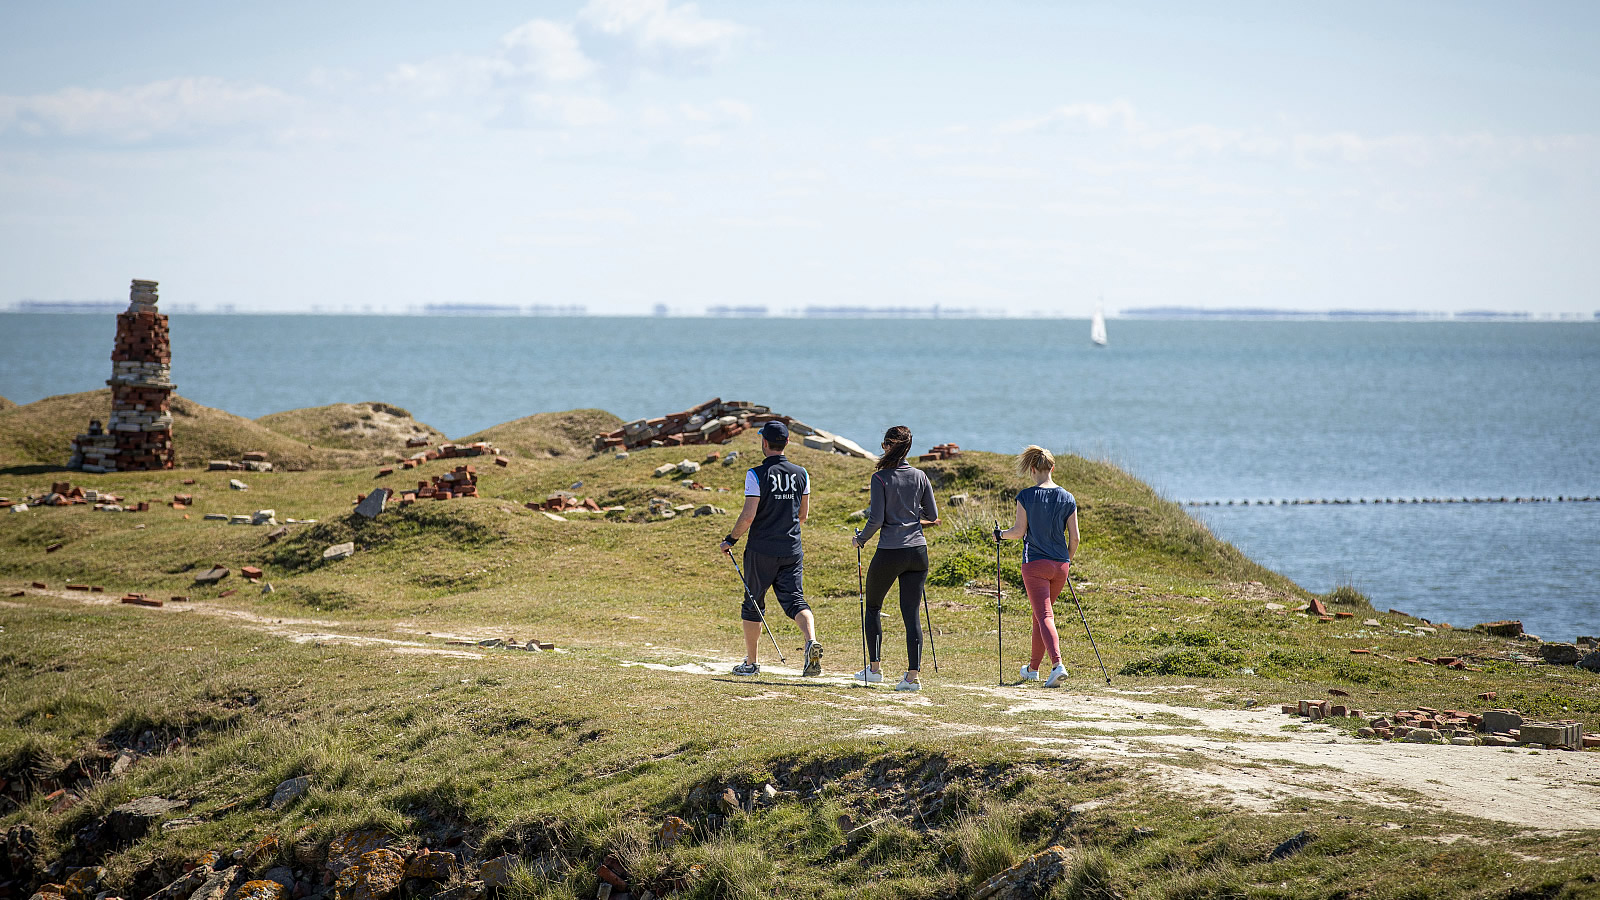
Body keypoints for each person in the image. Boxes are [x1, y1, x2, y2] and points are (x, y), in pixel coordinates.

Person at [719, 421, 824, 676]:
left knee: (753, 602)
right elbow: (803, 515)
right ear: (787, 443)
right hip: (792, 549)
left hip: (761, 551)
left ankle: (752, 663)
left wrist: (730, 540)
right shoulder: (802, 473)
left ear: (764, 443)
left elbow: (748, 516)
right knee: (796, 600)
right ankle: (811, 641)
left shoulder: (755, 474)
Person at [852, 426, 939, 691]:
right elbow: (932, 516)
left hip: (890, 551)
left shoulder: (880, 478)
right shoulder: (921, 476)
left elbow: (876, 519)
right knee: (911, 613)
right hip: (918, 552)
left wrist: (861, 539)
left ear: (889, 445)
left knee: (873, 607)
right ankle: (912, 677)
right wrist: (910, 519)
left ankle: (875, 669)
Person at [995, 445, 1079, 688]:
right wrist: (1067, 560)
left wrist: (1000, 535)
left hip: (1035, 564)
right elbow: (1075, 538)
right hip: (1060, 565)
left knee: (1043, 615)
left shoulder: (1026, 496)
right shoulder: (1068, 497)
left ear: (1032, 469)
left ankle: (1057, 665)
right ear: (1052, 468)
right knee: (1040, 615)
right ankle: (1032, 668)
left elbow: (1019, 532)